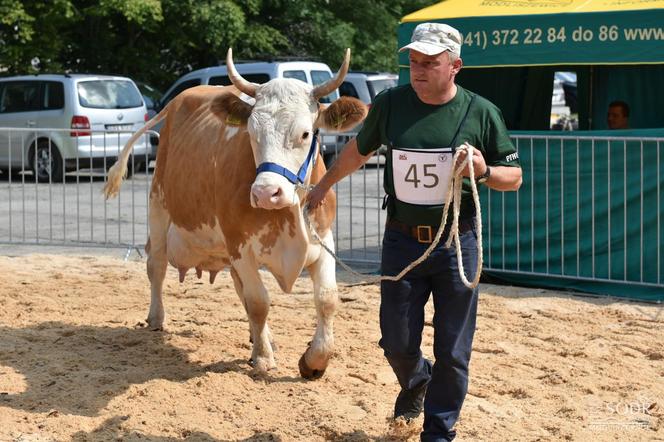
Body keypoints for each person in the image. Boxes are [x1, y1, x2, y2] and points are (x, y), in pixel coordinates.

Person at [306, 22, 522, 441]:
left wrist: (484, 170)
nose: (418, 70)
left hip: (459, 242)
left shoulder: (481, 112)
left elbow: (514, 176)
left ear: (454, 65)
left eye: (430, 63)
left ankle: (439, 433)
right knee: (395, 341)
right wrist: (321, 186)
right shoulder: (390, 104)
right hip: (402, 241)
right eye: (413, 62)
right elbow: (357, 151)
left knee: (453, 352)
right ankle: (417, 380)